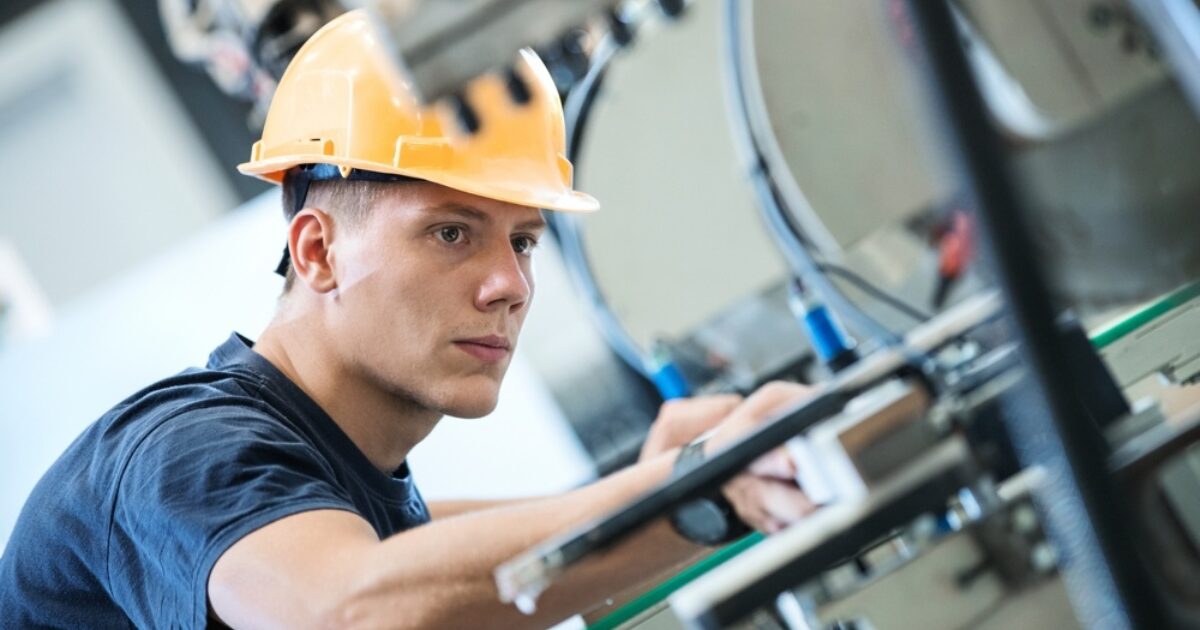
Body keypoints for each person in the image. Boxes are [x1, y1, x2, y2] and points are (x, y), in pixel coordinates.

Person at [0, 10, 814, 628]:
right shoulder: (183, 453)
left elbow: (414, 555)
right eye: (451, 232)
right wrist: (693, 492)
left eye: (525, 241)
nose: (510, 285)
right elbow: (349, 610)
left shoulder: (338, 488)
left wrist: (673, 478)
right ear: (316, 252)